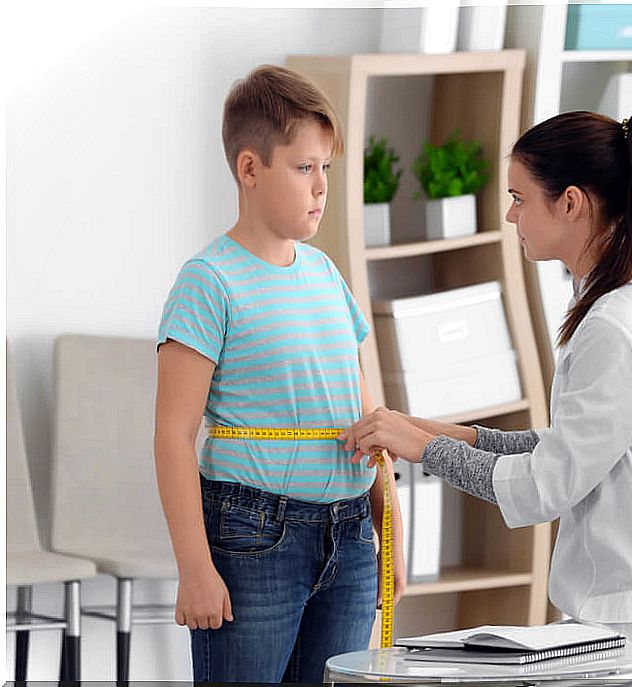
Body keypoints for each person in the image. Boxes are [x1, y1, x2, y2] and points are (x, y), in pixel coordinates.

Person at [341, 111, 632, 679]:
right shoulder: (630, 298)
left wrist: (421, 450)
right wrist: (433, 431)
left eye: (519, 197)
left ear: (571, 202)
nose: (509, 214)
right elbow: (562, 446)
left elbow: (546, 484)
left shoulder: (615, 329)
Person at [153, 64, 405, 683]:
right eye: (303, 168)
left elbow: (363, 415)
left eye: (326, 168)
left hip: (349, 538)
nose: (321, 187)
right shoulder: (209, 281)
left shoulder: (325, 274)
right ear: (249, 169)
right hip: (253, 535)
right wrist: (194, 566)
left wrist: (388, 523)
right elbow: (172, 435)